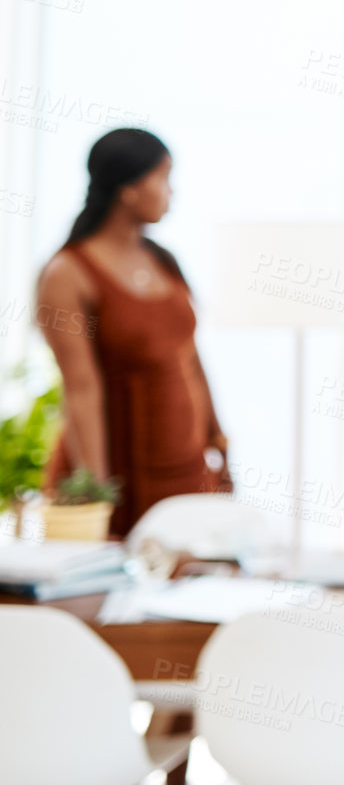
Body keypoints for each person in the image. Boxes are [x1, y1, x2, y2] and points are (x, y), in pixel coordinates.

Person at [36, 128, 229, 539]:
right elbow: (81, 389)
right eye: (162, 178)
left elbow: (191, 359)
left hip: (184, 466)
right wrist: (97, 496)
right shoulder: (68, 273)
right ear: (128, 188)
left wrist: (219, 443)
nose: (171, 192)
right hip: (121, 470)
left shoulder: (164, 261)